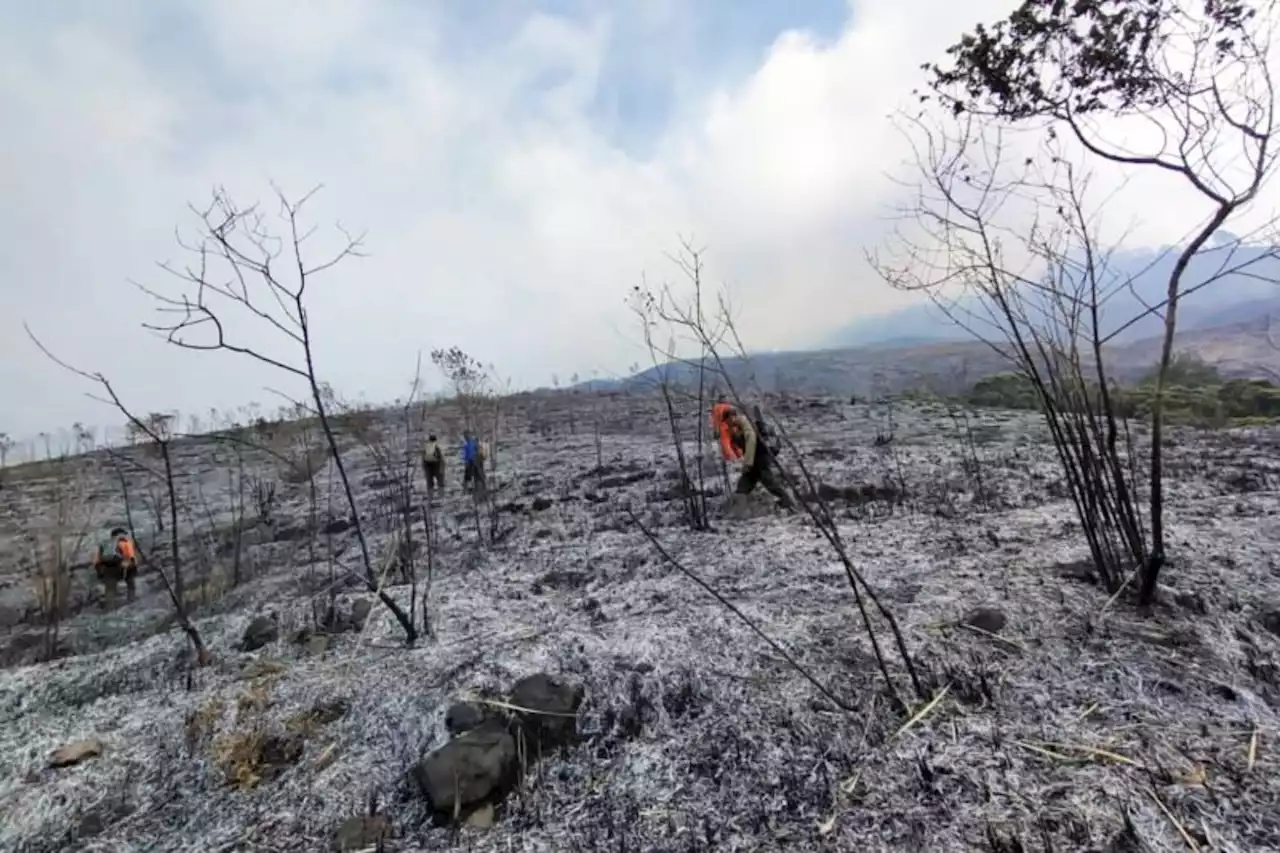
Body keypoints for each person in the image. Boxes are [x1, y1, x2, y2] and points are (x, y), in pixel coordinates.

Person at [715, 404, 794, 510]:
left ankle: (788, 501)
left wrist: (748, 463)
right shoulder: (737, 427)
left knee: (768, 481)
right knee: (744, 485)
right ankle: (739, 506)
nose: (727, 423)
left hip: (760, 457)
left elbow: (751, 440)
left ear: (732, 417)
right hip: (755, 459)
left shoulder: (745, 422)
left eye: (727, 420)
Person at [93, 526, 138, 608]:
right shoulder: (126, 542)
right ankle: (132, 602)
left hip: (107, 569)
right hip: (123, 567)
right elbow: (131, 557)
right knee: (131, 583)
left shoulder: (105, 544)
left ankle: (109, 608)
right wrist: (133, 568)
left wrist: (99, 572)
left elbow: (97, 560)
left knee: (110, 589)